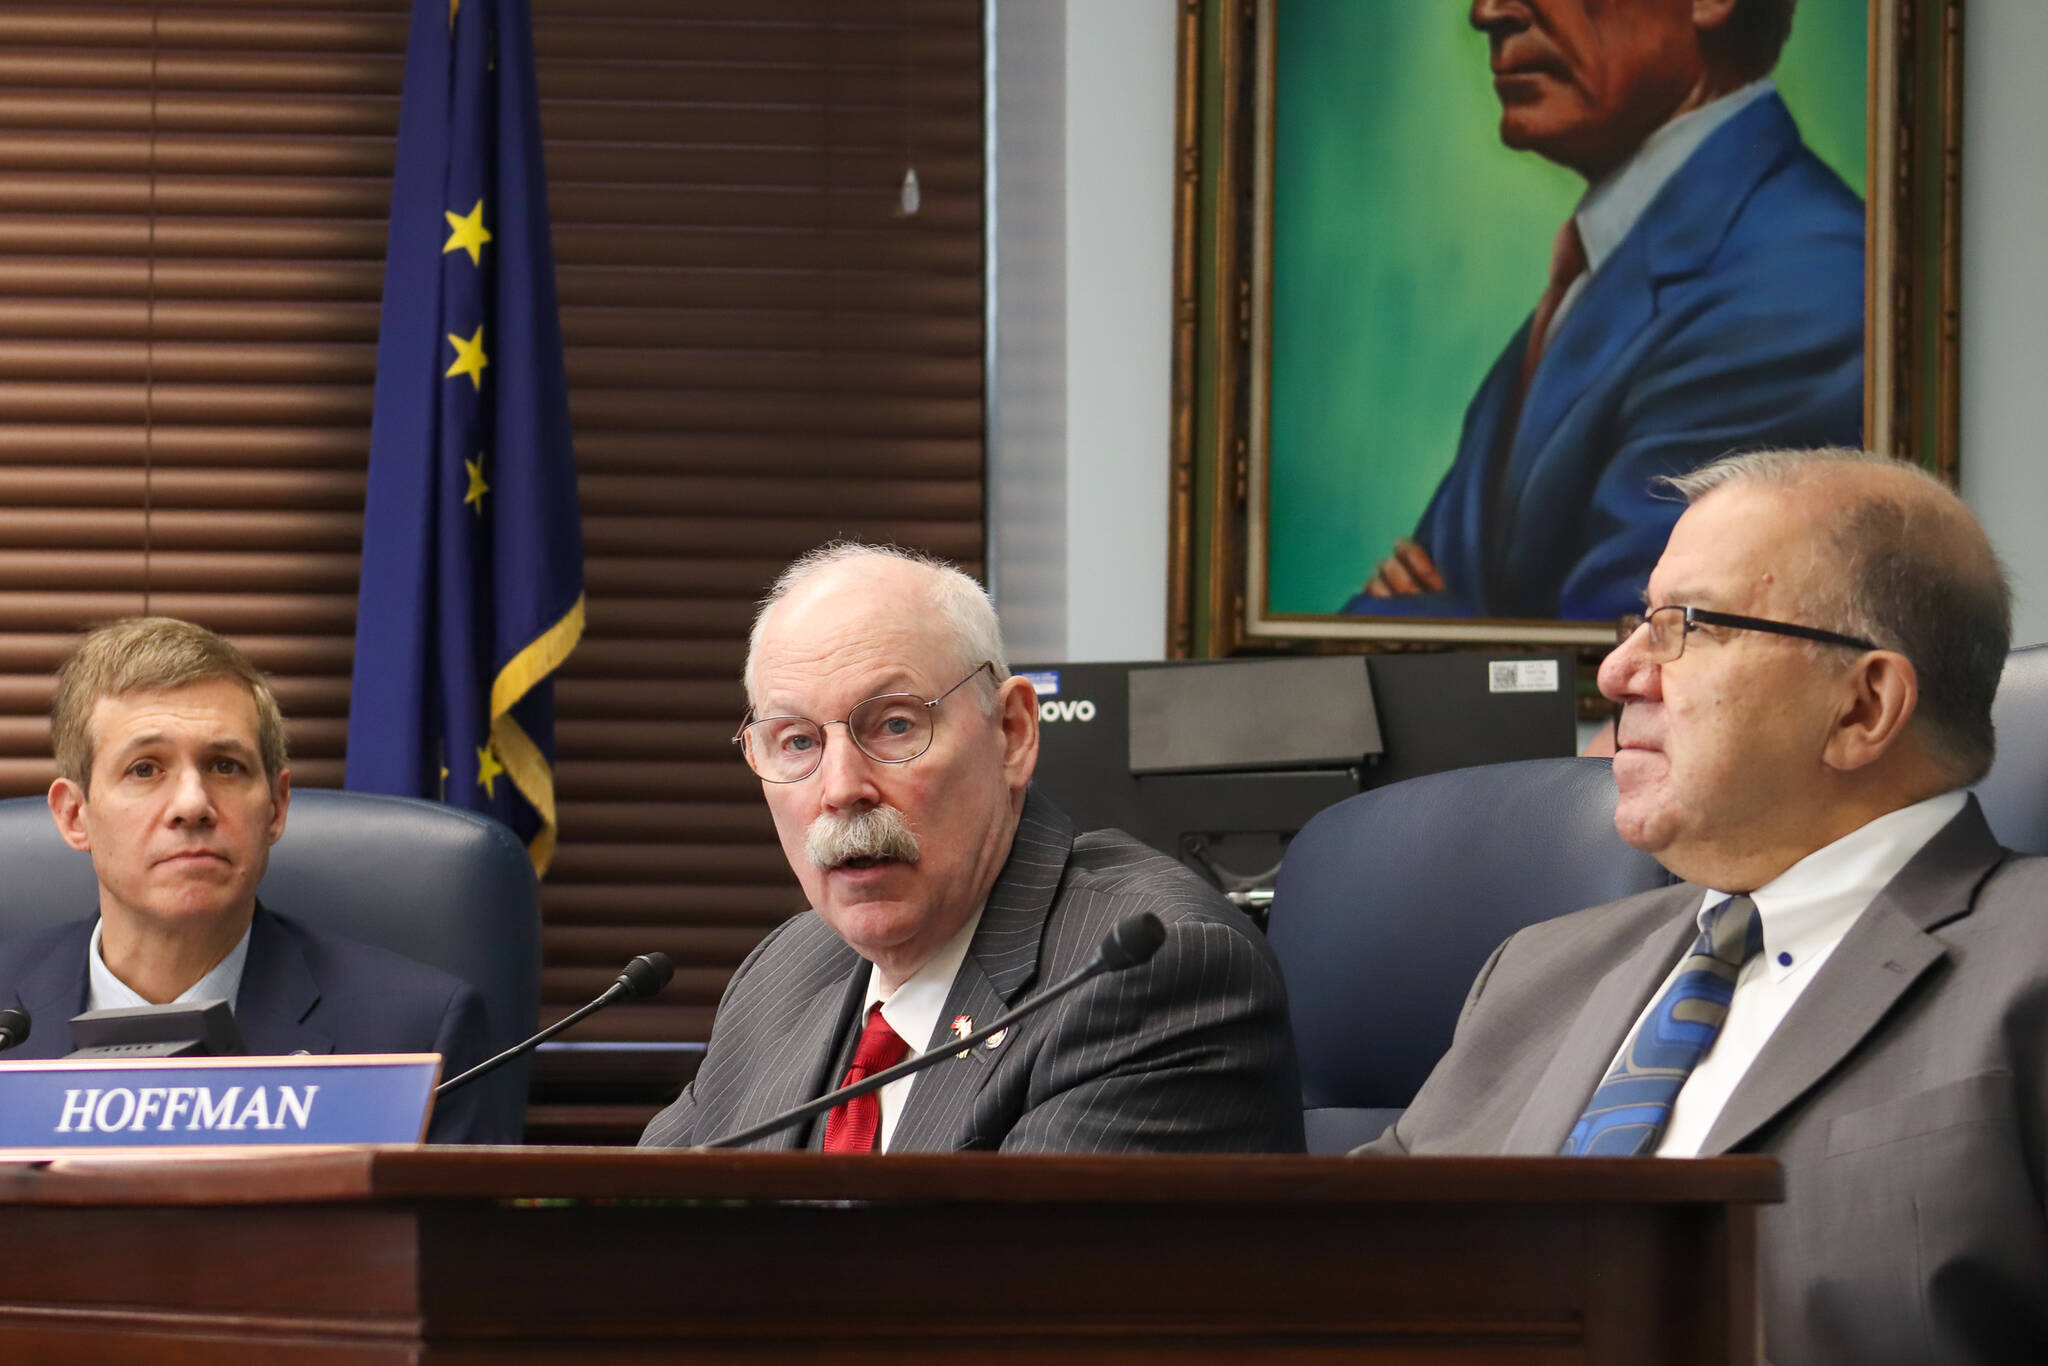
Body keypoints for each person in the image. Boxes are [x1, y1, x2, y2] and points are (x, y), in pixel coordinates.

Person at [1363, 449, 2047, 1363]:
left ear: (1863, 705)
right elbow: (1340, 1276)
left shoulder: (2026, 960)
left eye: (1683, 626)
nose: (1618, 674)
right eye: (1637, 624)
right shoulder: (1535, 971)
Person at [640, 544, 1303, 1153]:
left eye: (896, 725)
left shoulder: (1152, 974)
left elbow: (991, 1281)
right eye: (797, 742)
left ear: (1011, 733)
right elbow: (635, 1232)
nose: (841, 789)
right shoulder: (786, 970)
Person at [1347, 0, 1863, 622]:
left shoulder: (1794, 279)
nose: (1487, 12)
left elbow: (1633, 650)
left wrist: (1425, 619)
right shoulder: (1642, 258)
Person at [0, 617, 509, 1143]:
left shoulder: (417, 1035)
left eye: (225, 766)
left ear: (276, 807)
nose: (193, 804)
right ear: (74, 816)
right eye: (145, 769)